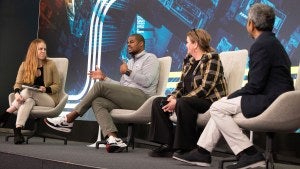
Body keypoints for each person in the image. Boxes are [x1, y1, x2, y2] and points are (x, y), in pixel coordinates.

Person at [172, 3, 295, 169]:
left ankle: (248, 153)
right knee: (219, 107)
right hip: (277, 98)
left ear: (251, 24)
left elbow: (255, 86)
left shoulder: (261, 45)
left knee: (217, 107)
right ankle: (202, 152)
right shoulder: (274, 43)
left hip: (270, 100)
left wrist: (231, 96)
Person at [44, 34, 160, 153]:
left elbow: (147, 81)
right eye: (127, 42)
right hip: (128, 98)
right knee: (98, 101)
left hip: (143, 99)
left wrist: (128, 72)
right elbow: (122, 87)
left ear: (141, 44)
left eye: (132, 42)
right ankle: (113, 138)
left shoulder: (150, 58)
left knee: (99, 86)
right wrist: (104, 78)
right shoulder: (129, 62)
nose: (128, 45)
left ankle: (69, 118)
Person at [148, 29, 228, 157]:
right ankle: (168, 144)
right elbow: (181, 85)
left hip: (209, 101)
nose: (186, 45)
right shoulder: (189, 61)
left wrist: (178, 101)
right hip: (190, 100)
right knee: (158, 102)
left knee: (183, 102)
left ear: (195, 44)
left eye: (187, 42)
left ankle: (186, 147)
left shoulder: (212, 59)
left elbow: (205, 88)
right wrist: (173, 97)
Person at [0, 38, 61, 144]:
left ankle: (8, 112)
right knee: (28, 101)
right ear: (33, 51)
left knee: (29, 91)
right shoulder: (24, 65)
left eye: (45, 49)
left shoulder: (51, 64)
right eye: (40, 49)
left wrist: (45, 88)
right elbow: (17, 83)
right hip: (29, 98)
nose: (43, 51)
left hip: (48, 99)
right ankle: (18, 130)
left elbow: (57, 86)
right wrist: (17, 93)